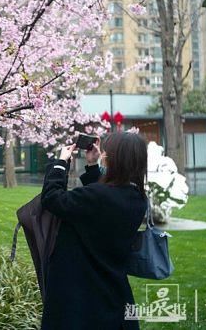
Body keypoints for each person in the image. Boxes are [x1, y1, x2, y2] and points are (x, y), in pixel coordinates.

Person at [40, 132, 148, 329]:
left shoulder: (99, 197)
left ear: (116, 159)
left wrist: (60, 163)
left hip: (82, 295)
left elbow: (52, 198)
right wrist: (92, 166)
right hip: (112, 292)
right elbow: (101, 203)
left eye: (107, 151)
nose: (103, 154)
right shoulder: (138, 198)